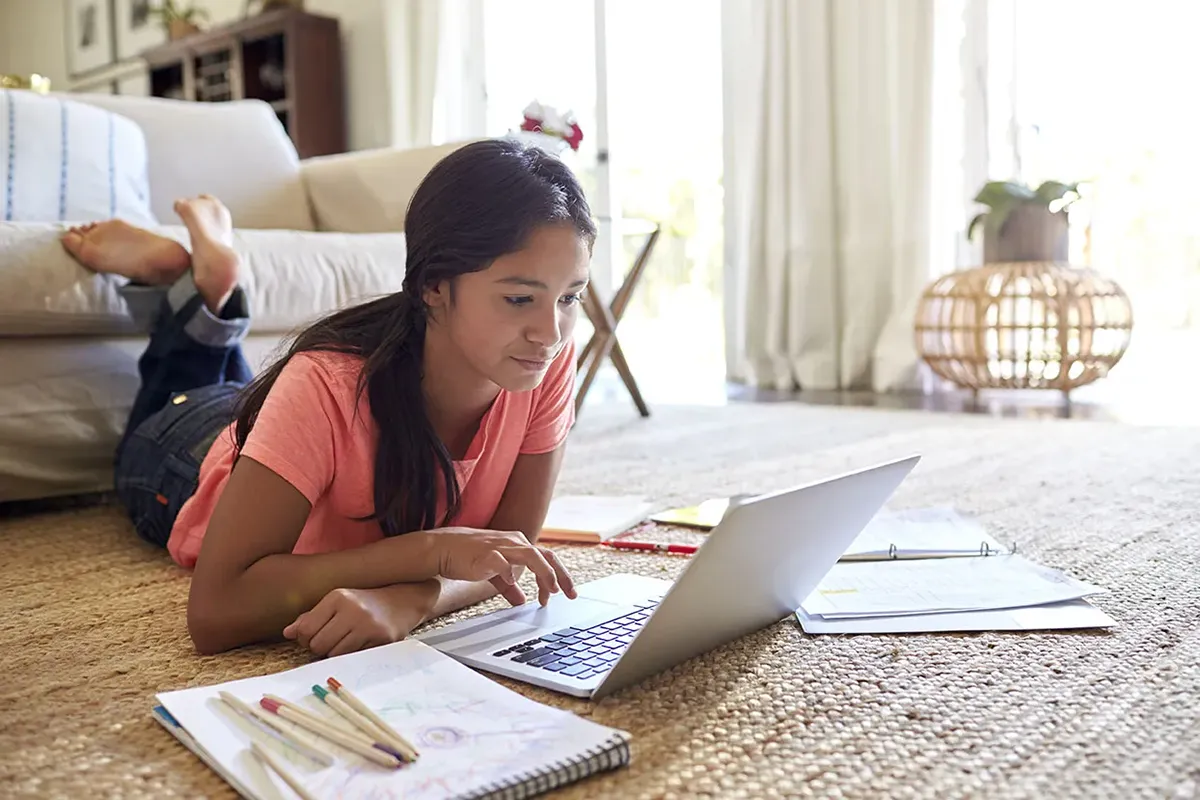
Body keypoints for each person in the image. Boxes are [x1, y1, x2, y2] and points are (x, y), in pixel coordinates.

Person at [61, 139, 592, 656]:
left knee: (239, 385)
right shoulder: (324, 382)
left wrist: (413, 597)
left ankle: (203, 287)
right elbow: (215, 611)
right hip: (186, 454)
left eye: (569, 296)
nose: (550, 331)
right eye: (519, 298)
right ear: (433, 285)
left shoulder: (544, 359)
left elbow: (510, 551)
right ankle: (193, 285)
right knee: (179, 395)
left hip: (279, 422)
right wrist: (427, 552)